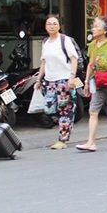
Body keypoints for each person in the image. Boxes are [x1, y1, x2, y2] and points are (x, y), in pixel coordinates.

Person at [76, 15, 107, 151]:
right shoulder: (93, 45)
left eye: (96, 26)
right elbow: (91, 64)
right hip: (98, 82)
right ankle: (91, 142)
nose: (93, 28)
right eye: (93, 26)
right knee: (93, 111)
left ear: (105, 31)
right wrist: (86, 82)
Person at [35, 14, 79, 149]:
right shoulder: (45, 42)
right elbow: (43, 62)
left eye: (54, 23)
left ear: (59, 26)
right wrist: (38, 79)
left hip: (64, 80)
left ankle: (63, 139)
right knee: (50, 109)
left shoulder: (64, 40)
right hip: (49, 81)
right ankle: (64, 126)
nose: (52, 26)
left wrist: (72, 77)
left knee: (64, 110)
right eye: (49, 24)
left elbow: (74, 59)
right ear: (45, 26)